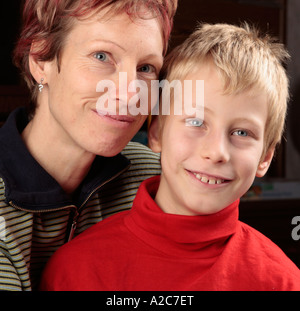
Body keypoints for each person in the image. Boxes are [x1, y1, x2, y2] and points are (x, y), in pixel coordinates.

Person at [40, 23, 300, 291]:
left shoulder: (282, 282)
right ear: (156, 133)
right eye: (197, 122)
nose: (216, 152)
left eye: (242, 132)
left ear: (265, 157)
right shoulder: (75, 270)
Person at [0, 0, 178, 290]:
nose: (130, 93)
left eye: (145, 68)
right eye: (102, 56)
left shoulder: (155, 175)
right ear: (41, 60)